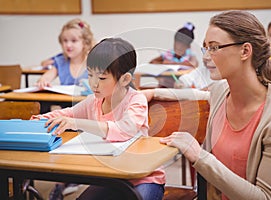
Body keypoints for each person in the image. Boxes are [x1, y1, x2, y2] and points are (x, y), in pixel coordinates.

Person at [159, 10, 271, 199]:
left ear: (245, 51)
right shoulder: (220, 92)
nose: (206, 57)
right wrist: (153, 92)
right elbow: (196, 94)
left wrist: (199, 155)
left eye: (215, 48)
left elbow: (266, 197)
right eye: (205, 48)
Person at [31, 38, 165, 200]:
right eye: (90, 75)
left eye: (101, 78)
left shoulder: (136, 100)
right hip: (112, 177)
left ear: (125, 79)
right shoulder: (93, 101)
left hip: (144, 178)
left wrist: (76, 123)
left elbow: (124, 129)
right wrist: (40, 119)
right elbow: (68, 114)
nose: (94, 84)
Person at [36, 18, 95, 113]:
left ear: (85, 42)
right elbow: (46, 77)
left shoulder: (93, 61)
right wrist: (43, 81)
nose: (68, 45)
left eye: (74, 41)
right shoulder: (60, 61)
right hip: (66, 105)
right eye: (65, 41)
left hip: (88, 106)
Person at [150, 22, 199, 88]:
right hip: (166, 85)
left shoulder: (190, 55)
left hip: (184, 86)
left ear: (188, 46)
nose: (178, 48)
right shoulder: (169, 54)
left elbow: (194, 64)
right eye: (176, 45)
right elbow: (152, 62)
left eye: (181, 47)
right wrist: (162, 63)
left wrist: (172, 63)